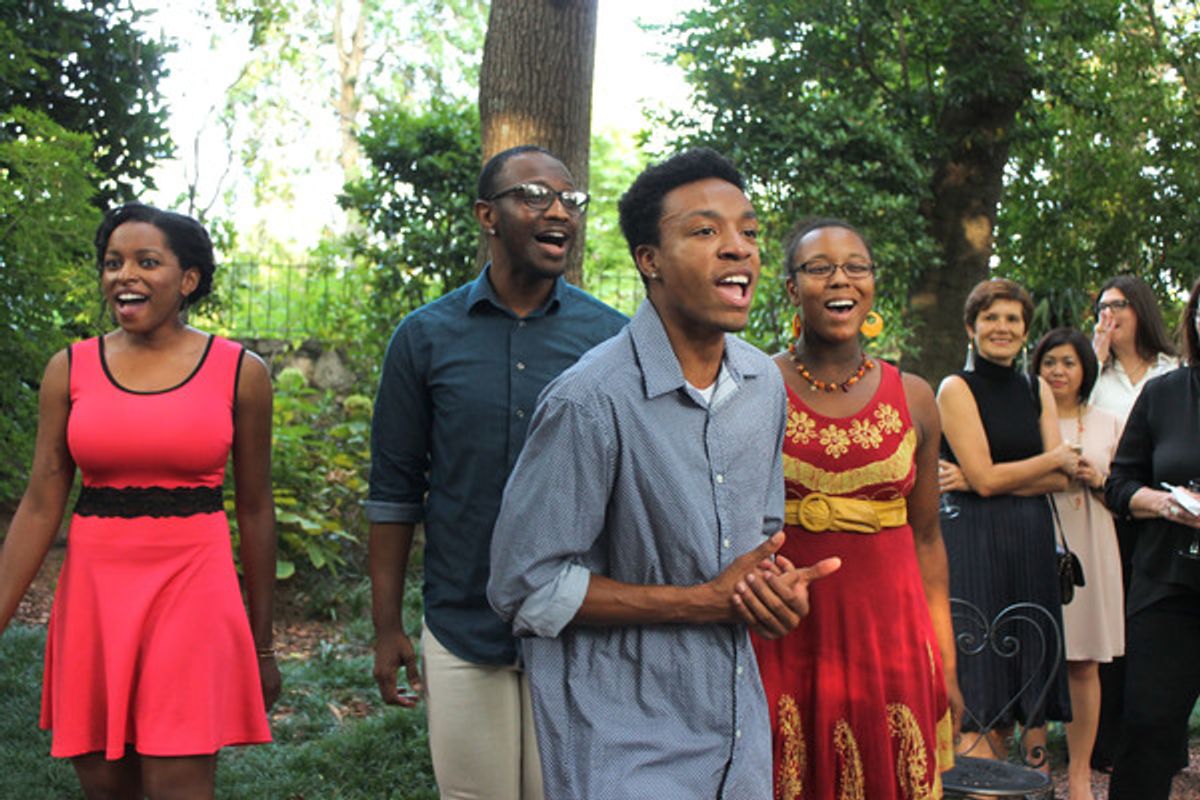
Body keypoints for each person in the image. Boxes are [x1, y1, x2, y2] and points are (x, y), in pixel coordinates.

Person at [487, 148, 841, 798]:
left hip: (739, 746)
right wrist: (697, 603)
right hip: (626, 747)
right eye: (706, 231)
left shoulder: (763, 383)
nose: (739, 249)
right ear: (649, 259)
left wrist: (773, 595)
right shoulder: (589, 401)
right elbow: (524, 589)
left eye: (750, 232)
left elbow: (756, 547)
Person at [366, 145, 627, 800]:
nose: (559, 211)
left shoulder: (612, 340)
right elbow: (396, 494)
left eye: (570, 199)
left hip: (575, 628)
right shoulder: (424, 338)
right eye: (536, 195)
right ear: (488, 214)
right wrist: (387, 626)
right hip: (462, 623)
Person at [0, 203, 278, 799]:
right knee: (103, 782)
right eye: (113, 263)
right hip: (95, 597)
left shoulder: (240, 373)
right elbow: (42, 501)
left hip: (192, 591)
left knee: (175, 778)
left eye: (146, 262)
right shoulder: (68, 368)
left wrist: (263, 643)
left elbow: (255, 508)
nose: (124, 275)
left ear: (188, 281)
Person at [751, 218, 959, 799]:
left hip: (892, 635)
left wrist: (946, 657)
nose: (839, 279)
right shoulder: (754, 388)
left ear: (872, 284)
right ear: (792, 288)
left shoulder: (916, 396)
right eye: (818, 268)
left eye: (855, 266)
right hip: (785, 631)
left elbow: (927, 538)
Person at [936, 278, 1076, 762]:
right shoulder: (956, 388)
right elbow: (993, 478)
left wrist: (987, 477)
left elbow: (1061, 482)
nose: (1002, 327)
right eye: (991, 317)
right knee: (982, 680)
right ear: (971, 327)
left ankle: (1025, 786)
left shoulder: (1036, 387)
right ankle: (982, 786)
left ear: (1025, 330)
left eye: (1013, 319)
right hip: (975, 541)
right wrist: (1054, 457)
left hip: (1030, 540)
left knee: (1027, 670)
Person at [1104, 276, 1200, 800]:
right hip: (1168, 586)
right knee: (1146, 729)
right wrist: (1167, 504)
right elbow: (1119, 485)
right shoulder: (1163, 394)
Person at [1086, 274, 1179, 771]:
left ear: (1141, 309)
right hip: (1105, 511)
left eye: (1119, 304)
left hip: (1167, 521)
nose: (1109, 314)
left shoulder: (1174, 370)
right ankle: (1108, 743)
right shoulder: (1092, 374)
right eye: (1102, 306)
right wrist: (1092, 359)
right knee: (1114, 626)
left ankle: (1162, 742)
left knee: (1159, 627)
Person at [1032, 327, 1124, 800]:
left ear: (1086, 368)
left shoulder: (1107, 420)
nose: (1059, 371)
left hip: (1090, 537)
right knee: (1032, 653)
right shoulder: (1026, 416)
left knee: (1083, 662)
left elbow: (1129, 486)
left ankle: (1083, 774)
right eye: (1050, 362)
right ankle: (1035, 769)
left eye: (1069, 362)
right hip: (1034, 535)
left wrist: (1098, 476)